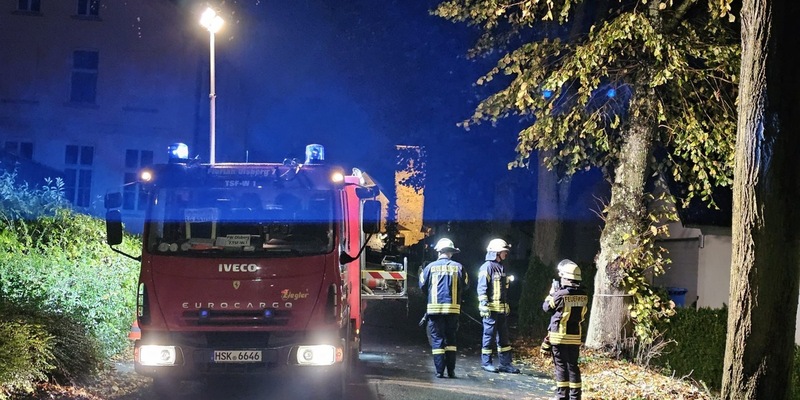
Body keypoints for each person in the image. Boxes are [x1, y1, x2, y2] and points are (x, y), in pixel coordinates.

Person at [419, 238, 469, 378]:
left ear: (439, 251)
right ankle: (451, 371)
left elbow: (422, 285)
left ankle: (439, 372)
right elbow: (466, 285)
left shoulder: (429, 267)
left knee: (437, 339)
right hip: (453, 310)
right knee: (451, 339)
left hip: (434, 310)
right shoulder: (459, 267)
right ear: (451, 252)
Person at [543, 259, 589, 400]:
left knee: (561, 366)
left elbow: (546, 308)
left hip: (559, 336)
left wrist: (551, 294)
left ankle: (562, 396)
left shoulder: (560, 294)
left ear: (566, 278)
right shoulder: (584, 295)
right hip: (575, 337)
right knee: (573, 366)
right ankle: (575, 397)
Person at [477, 238, 520, 374]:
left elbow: (503, 289)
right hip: (490, 310)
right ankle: (486, 363)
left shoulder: (501, 267)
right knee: (488, 336)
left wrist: (506, 304)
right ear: (496, 252)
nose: (506, 254)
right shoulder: (487, 267)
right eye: (503, 251)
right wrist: (483, 304)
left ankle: (505, 364)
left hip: (501, 309)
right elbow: (482, 287)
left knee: (504, 337)